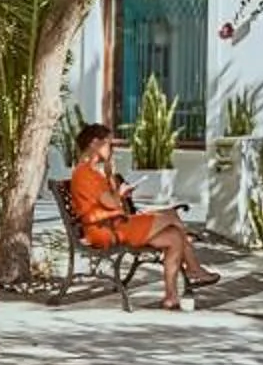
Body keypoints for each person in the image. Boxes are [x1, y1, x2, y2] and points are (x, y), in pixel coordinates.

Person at [65, 121, 218, 311]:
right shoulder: (85, 173)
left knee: (174, 237)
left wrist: (115, 184)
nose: (112, 149)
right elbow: (111, 203)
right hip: (107, 230)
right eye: (109, 144)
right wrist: (118, 189)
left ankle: (171, 297)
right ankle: (194, 269)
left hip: (116, 225)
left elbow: (109, 201)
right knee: (171, 216)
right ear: (95, 143)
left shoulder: (93, 172)